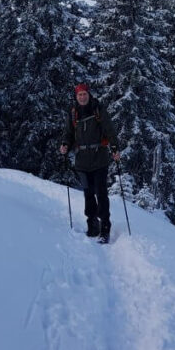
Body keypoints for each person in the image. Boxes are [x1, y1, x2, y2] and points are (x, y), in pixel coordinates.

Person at [60, 83, 120, 242]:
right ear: (76, 96)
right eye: (79, 95)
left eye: (84, 94)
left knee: (101, 193)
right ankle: (92, 225)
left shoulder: (98, 109)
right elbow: (68, 133)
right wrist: (65, 144)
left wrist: (114, 148)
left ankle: (105, 228)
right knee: (88, 194)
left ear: (88, 94)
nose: (82, 97)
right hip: (82, 162)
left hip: (99, 159)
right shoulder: (73, 113)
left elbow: (109, 129)